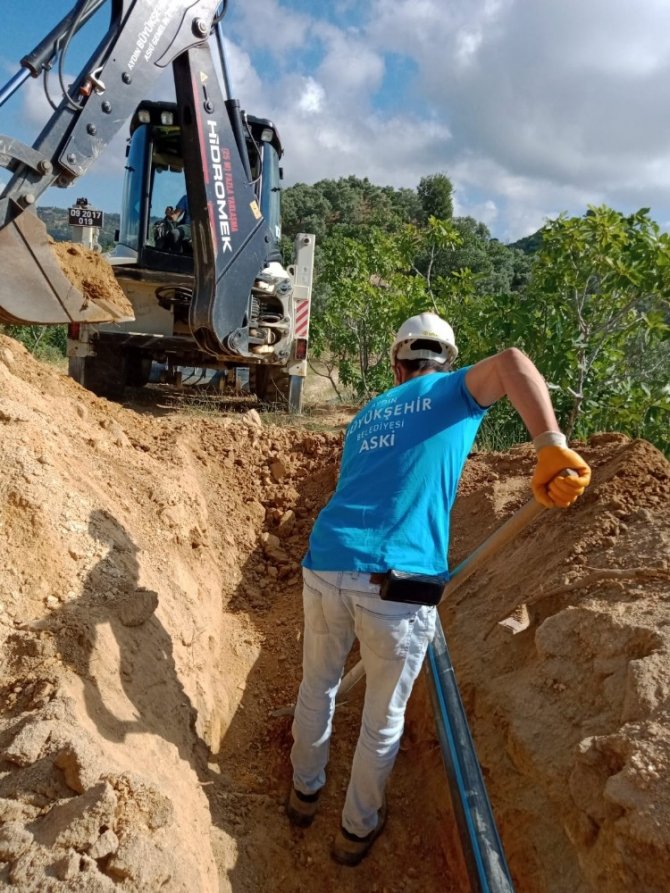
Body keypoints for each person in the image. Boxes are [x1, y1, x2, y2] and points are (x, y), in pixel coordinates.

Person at [286, 311, 591, 866]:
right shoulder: (452, 391)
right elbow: (513, 364)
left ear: (397, 362)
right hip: (396, 585)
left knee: (317, 687)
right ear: (447, 360)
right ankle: (356, 830)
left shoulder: (367, 415)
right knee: (382, 718)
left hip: (325, 562)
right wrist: (550, 443)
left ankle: (303, 794)